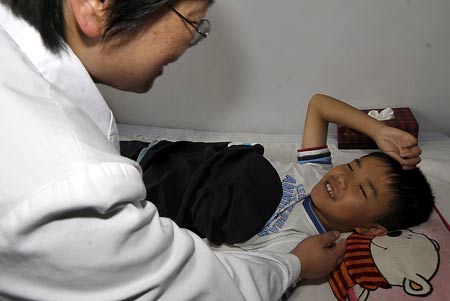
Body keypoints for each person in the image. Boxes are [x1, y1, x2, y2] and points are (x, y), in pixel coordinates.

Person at [0, 1, 346, 300]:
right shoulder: (78, 185)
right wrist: (296, 265)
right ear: (98, 5)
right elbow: (201, 288)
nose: (189, 42)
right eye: (192, 21)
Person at [121, 94, 434, 254]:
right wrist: (377, 130)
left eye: (362, 190)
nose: (343, 178)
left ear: (369, 228)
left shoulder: (303, 243)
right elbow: (319, 105)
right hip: (165, 156)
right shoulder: (315, 171)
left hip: (150, 199)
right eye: (352, 166)